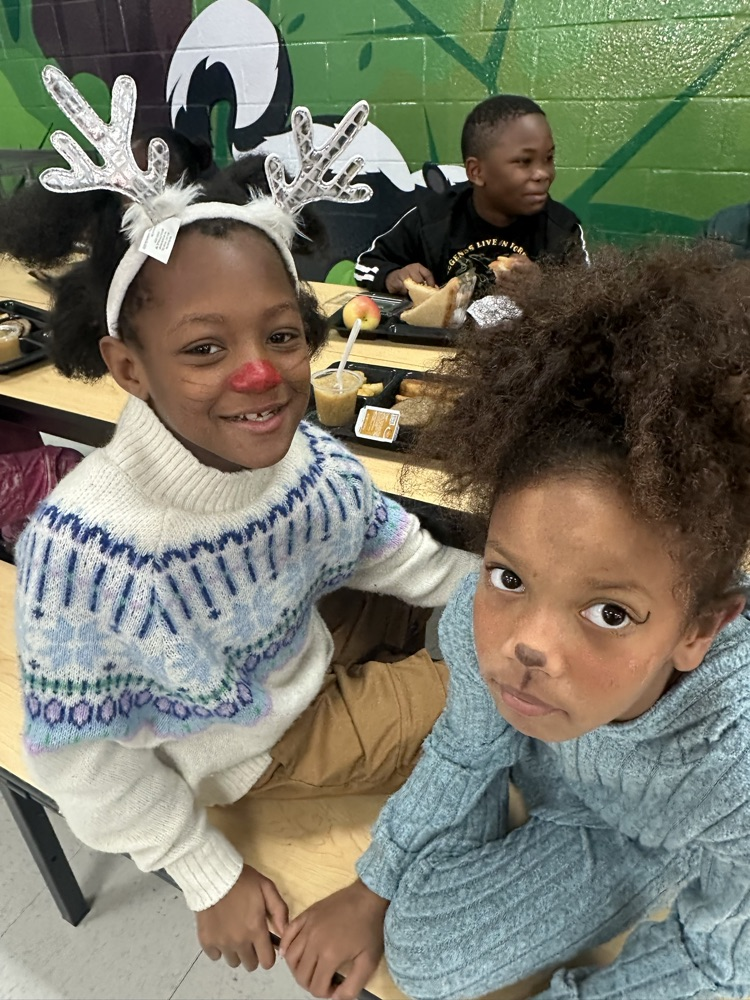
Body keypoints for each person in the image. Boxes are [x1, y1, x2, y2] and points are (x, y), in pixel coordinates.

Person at [6, 75, 476, 976]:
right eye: (204, 349)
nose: (262, 376)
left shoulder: (300, 459)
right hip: (257, 742)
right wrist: (205, 873)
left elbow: (394, 553)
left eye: (283, 336)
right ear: (129, 368)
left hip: (295, 641)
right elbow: (78, 757)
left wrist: (493, 601)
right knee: (509, 679)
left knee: (501, 618)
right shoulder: (91, 554)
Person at [280, 242, 750, 1000]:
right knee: (425, 956)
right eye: (510, 575)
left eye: (610, 611)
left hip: (651, 833)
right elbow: (465, 746)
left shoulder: (736, 760)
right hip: (563, 793)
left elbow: (723, 958)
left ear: (701, 629)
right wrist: (376, 887)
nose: (527, 642)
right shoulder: (478, 621)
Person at [354, 95, 587, 298]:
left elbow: (590, 300)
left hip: (528, 348)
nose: (543, 174)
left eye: (548, 158)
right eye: (524, 161)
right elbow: (366, 266)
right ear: (476, 171)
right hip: (440, 345)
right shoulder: (434, 219)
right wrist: (393, 276)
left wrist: (544, 287)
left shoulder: (561, 228)